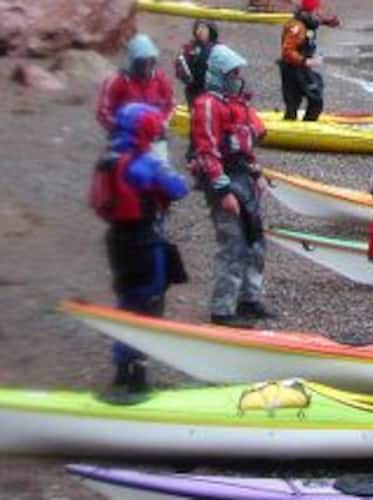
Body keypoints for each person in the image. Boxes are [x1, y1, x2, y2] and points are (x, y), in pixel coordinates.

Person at [88, 103, 189, 403]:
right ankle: (137, 381)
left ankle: (121, 369)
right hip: (145, 241)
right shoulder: (143, 162)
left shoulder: (109, 159)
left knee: (127, 299)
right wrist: (162, 165)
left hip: (117, 240)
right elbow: (178, 188)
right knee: (149, 304)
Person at [189, 44, 273, 329]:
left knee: (255, 240)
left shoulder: (236, 104)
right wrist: (223, 191)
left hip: (243, 178)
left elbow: (245, 146)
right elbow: (206, 151)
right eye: (233, 72)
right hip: (224, 181)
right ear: (220, 74)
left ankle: (249, 298)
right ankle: (223, 309)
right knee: (232, 244)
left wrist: (256, 172)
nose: (238, 77)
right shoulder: (207, 106)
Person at [96, 34, 174, 133]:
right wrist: (119, 127)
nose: (147, 67)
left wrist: (162, 123)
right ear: (133, 62)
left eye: (150, 62)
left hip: (154, 135)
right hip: (126, 137)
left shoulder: (160, 79)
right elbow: (103, 111)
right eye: (142, 63)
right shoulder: (118, 81)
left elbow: (170, 104)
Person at [278, 0, 339, 121]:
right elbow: (287, 50)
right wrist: (305, 61)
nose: (320, 12)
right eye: (318, 9)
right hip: (293, 68)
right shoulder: (297, 27)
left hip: (299, 67)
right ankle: (305, 126)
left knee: (296, 100)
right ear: (311, 11)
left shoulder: (307, 20)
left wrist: (329, 22)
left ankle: (298, 123)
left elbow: (315, 22)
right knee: (312, 99)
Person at [174, 20, 220, 109]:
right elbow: (180, 64)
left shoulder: (218, 48)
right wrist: (184, 74)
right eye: (198, 28)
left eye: (203, 28)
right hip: (194, 89)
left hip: (212, 91)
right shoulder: (190, 47)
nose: (200, 31)